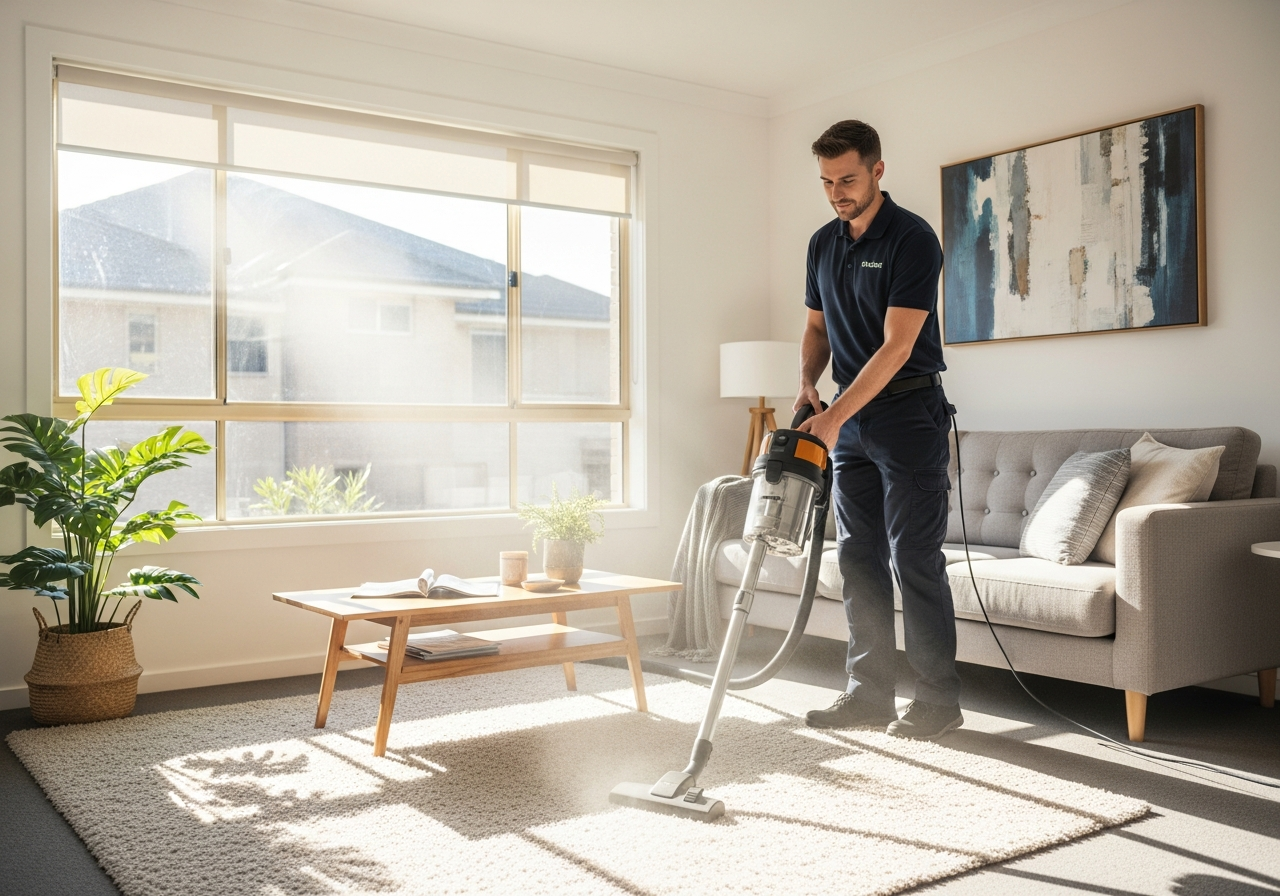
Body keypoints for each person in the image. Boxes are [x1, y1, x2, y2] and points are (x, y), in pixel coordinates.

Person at [793, 119, 962, 739]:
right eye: (827, 182)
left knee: (914, 559)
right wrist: (809, 385)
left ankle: (939, 702)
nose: (838, 192)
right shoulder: (822, 243)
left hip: (908, 415)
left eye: (848, 179)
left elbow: (895, 347)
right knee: (857, 558)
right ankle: (868, 696)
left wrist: (833, 418)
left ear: (878, 171)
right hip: (849, 418)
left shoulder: (912, 239)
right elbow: (817, 330)